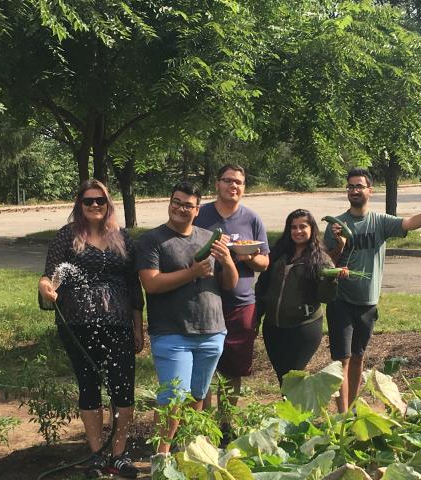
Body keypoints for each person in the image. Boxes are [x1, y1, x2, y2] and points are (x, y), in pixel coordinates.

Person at [38, 179, 144, 479]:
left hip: (119, 323)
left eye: (101, 200)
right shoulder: (66, 237)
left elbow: (134, 285)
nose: (95, 205)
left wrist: (138, 326)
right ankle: (97, 455)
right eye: (89, 201)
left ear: (108, 204)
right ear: (79, 205)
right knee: (89, 386)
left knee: (124, 388)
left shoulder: (123, 238)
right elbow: (50, 276)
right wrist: (46, 288)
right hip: (78, 324)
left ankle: (120, 455)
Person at [324, 167, 421, 413]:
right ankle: (342, 415)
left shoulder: (379, 222)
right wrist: (339, 247)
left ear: (370, 191)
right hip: (341, 300)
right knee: (342, 360)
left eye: (359, 186)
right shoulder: (336, 225)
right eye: (350, 186)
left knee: (358, 357)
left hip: (368, 302)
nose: (354, 190)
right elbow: (325, 261)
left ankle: (350, 410)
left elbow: (409, 223)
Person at [136, 181, 238, 453]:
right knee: (172, 398)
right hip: (172, 333)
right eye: (176, 202)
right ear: (169, 203)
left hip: (212, 330)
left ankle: (188, 451)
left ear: (197, 209)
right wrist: (192, 273)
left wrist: (227, 261)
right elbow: (152, 284)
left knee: (197, 396)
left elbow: (229, 284)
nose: (181, 208)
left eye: (187, 205)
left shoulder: (209, 237)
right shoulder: (151, 240)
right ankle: (162, 458)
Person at [193, 165, 269, 423]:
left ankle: (226, 424)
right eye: (228, 181)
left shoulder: (252, 219)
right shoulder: (200, 216)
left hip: (241, 302)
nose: (233, 186)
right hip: (204, 299)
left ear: (243, 187)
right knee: (202, 368)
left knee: (233, 370)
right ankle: (201, 424)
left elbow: (265, 263)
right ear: (217, 184)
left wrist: (248, 257)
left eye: (238, 182)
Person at [256, 209, 347, 386]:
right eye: (293, 227)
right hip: (273, 327)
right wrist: (256, 317)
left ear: (312, 229)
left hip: (303, 328)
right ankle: (292, 412)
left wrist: (331, 280)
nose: (297, 231)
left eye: (302, 227)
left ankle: (296, 412)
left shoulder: (321, 259)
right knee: (282, 376)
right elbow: (262, 286)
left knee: (293, 377)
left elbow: (325, 297)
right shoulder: (278, 254)